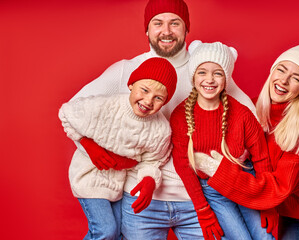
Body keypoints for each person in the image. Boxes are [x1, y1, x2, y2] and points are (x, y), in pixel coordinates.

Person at [67, 0, 256, 238]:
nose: (166, 31)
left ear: (186, 28)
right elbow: (73, 109)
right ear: (147, 29)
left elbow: (252, 120)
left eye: (174, 23)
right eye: (158, 23)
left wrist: (226, 164)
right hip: (141, 198)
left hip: (197, 199)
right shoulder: (127, 70)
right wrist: (89, 146)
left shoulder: (205, 69)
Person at [207, 39, 299, 239]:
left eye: (296, 78)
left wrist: (220, 173)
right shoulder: (252, 109)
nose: (284, 80)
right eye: (281, 70)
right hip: (287, 210)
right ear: (272, 72)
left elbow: (278, 187)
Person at [59, 57, 178, 240]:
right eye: (144, 90)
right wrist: (88, 145)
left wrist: (149, 180)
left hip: (117, 185)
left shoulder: (160, 129)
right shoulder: (105, 105)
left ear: (165, 102)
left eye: (158, 98)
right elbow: (66, 112)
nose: (148, 100)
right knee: (106, 231)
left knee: (119, 234)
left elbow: (153, 160)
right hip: (89, 177)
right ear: (131, 84)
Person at [170, 40, 275, 240]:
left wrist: (267, 202)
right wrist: (202, 210)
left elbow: (261, 158)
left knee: (265, 237)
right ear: (193, 76)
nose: (209, 79)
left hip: (245, 181)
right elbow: (183, 165)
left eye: (217, 73)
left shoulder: (242, 114)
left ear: (226, 79)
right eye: (202, 72)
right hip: (214, 189)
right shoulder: (180, 115)